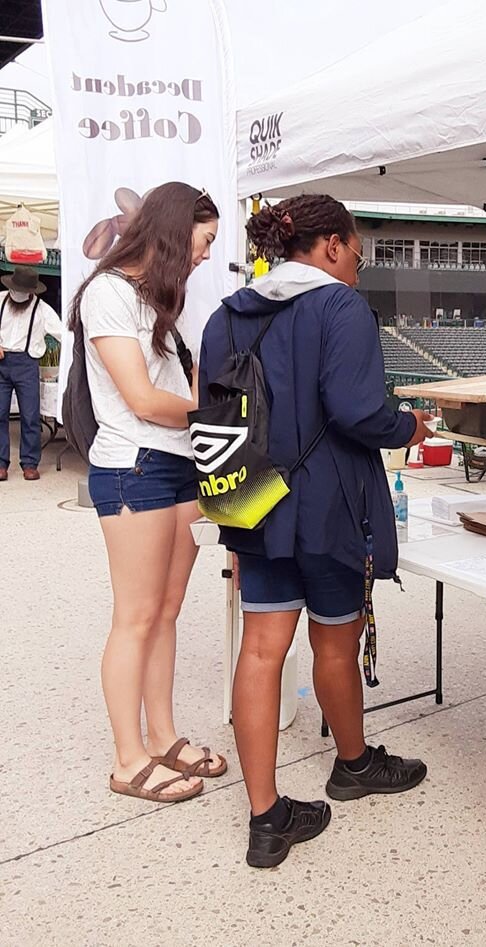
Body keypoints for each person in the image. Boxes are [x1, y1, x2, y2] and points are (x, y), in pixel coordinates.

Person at [200, 194, 433, 868]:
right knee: (336, 639)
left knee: (261, 647)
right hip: (327, 503)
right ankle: (353, 764)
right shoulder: (340, 306)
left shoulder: (226, 315)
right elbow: (359, 410)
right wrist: (407, 426)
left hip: (251, 498)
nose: (358, 269)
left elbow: (214, 409)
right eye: (356, 255)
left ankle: (267, 817)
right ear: (329, 245)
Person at [71, 182, 225, 804]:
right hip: (134, 465)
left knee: (165, 612)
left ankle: (162, 738)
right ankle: (127, 759)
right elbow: (140, 399)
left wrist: (201, 412)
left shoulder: (155, 299)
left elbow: (176, 390)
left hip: (178, 465)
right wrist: (214, 414)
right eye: (205, 240)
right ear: (176, 228)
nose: (208, 254)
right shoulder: (107, 293)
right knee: (135, 617)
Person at [0, 266, 62, 481]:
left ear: (32, 291)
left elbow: (62, 333)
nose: (18, 294)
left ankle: (29, 463)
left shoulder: (42, 309)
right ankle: (1, 463)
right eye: (15, 290)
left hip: (27, 364)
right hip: (1, 361)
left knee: (30, 415)